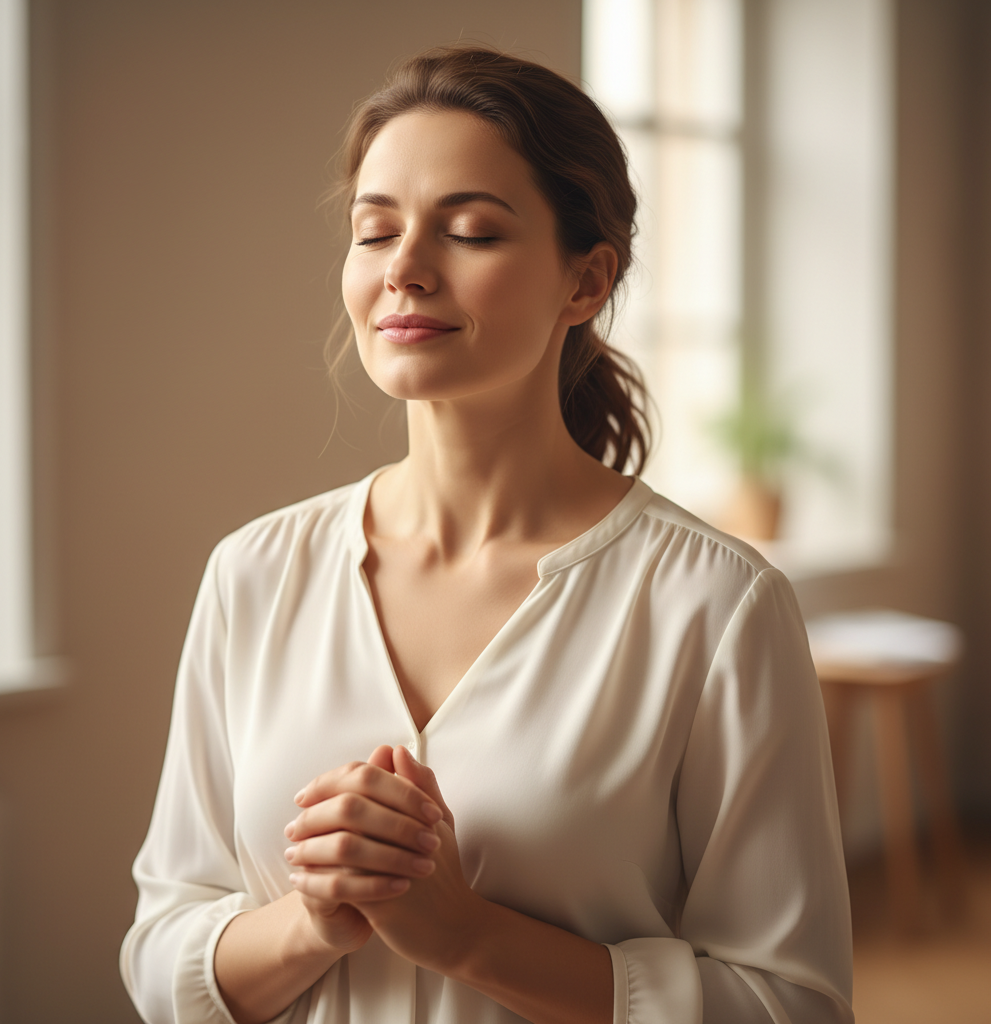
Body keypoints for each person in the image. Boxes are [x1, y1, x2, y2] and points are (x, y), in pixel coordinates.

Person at [120, 46, 854, 1024]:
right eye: (374, 232)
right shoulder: (253, 574)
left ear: (586, 281)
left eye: (467, 231)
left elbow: (790, 1005)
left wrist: (466, 934)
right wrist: (312, 920)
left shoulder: (716, 606)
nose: (406, 271)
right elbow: (162, 954)